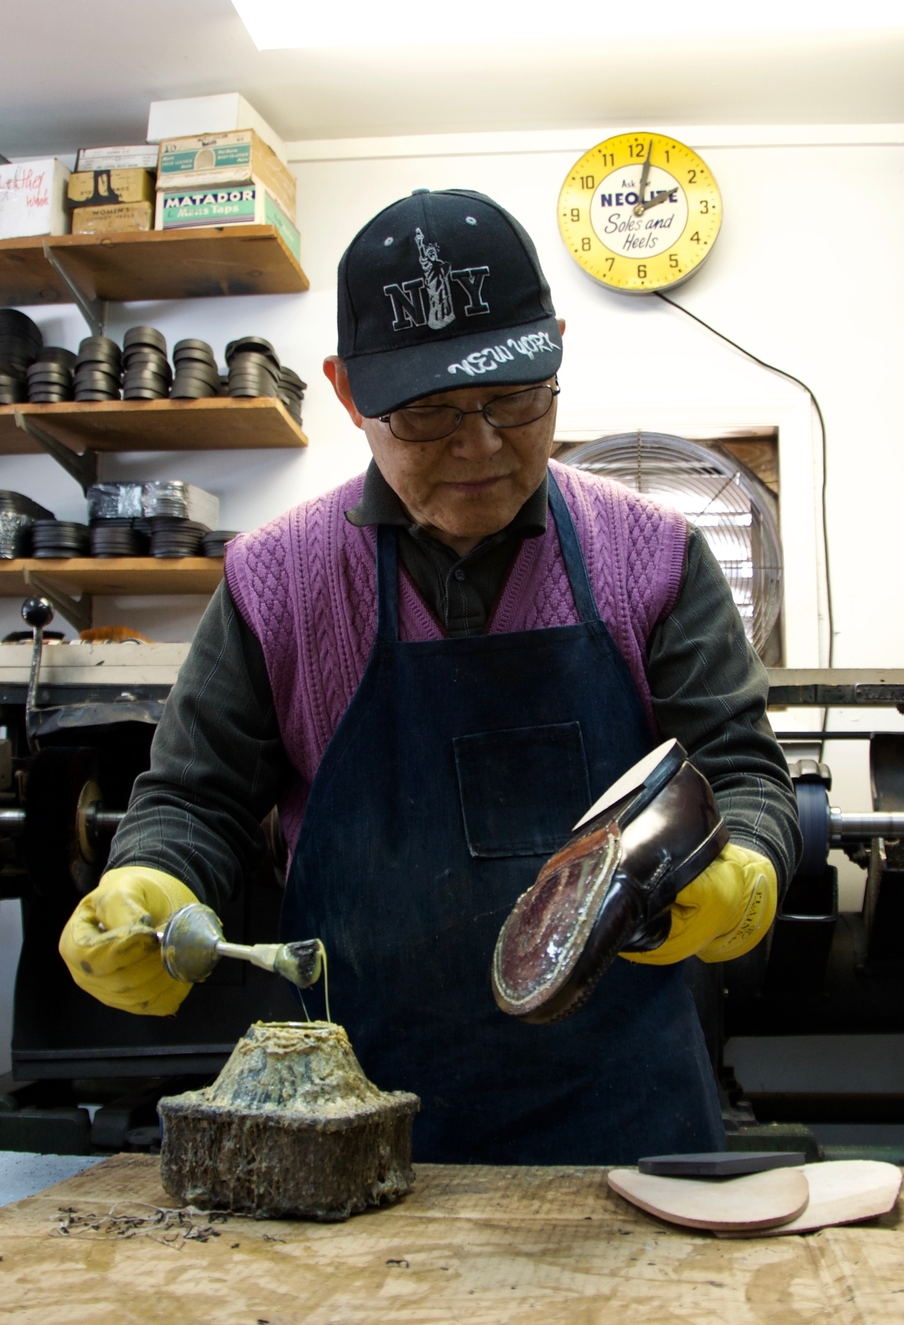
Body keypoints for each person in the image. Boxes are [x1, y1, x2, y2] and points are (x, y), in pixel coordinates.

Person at [59, 188, 799, 1164]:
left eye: (514, 398)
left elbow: (740, 771)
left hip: (626, 1110)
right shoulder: (275, 580)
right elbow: (194, 796)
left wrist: (742, 870)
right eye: (429, 414)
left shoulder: (652, 557)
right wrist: (148, 875)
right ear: (346, 391)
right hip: (347, 1112)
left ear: (557, 350)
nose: (481, 445)